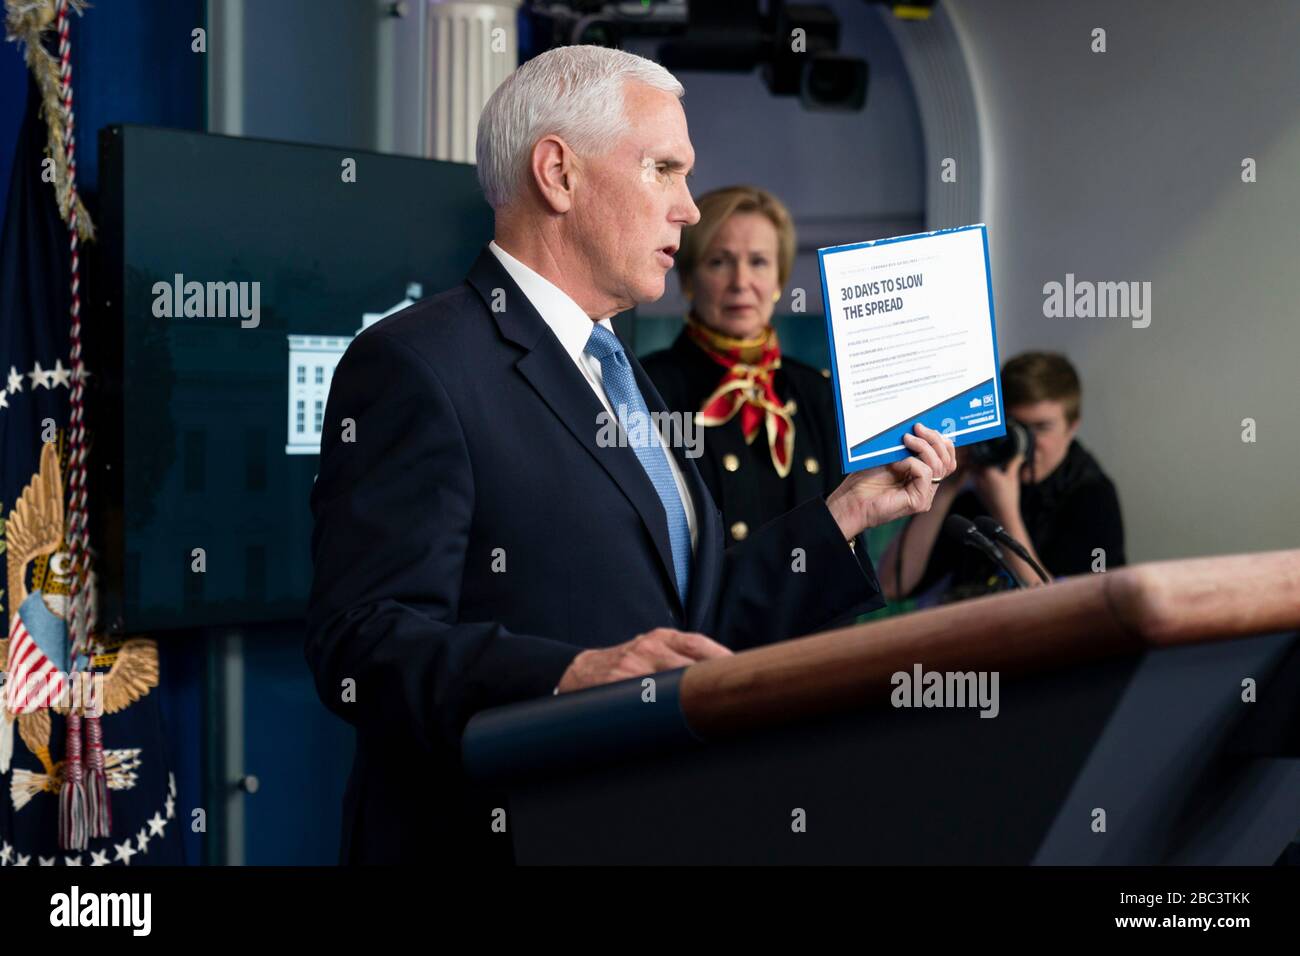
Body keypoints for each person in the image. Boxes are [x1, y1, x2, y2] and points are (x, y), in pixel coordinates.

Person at [305, 45, 955, 865]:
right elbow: (361, 642)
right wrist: (572, 673)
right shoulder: (416, 363)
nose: (688, 209)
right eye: (663, 170)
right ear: (559, 174)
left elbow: (698, 619)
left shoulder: (622, 373)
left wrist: (848, 512)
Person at [642, 185, 851, 547]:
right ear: (689, 279)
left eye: (758, 262)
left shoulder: (818, 393)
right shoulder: (647, 390)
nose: (741, 283)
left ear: (778, 281)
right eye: (719, 262)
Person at [880, 351, 1124, 603]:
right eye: (1015, 427)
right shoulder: (979, 476)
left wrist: (1004, 511)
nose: (1028, 444)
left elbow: (1075, 612)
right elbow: (892, 585)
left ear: (1072, 427)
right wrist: (947, 484)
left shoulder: (1092, 495)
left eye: (1041, 428)